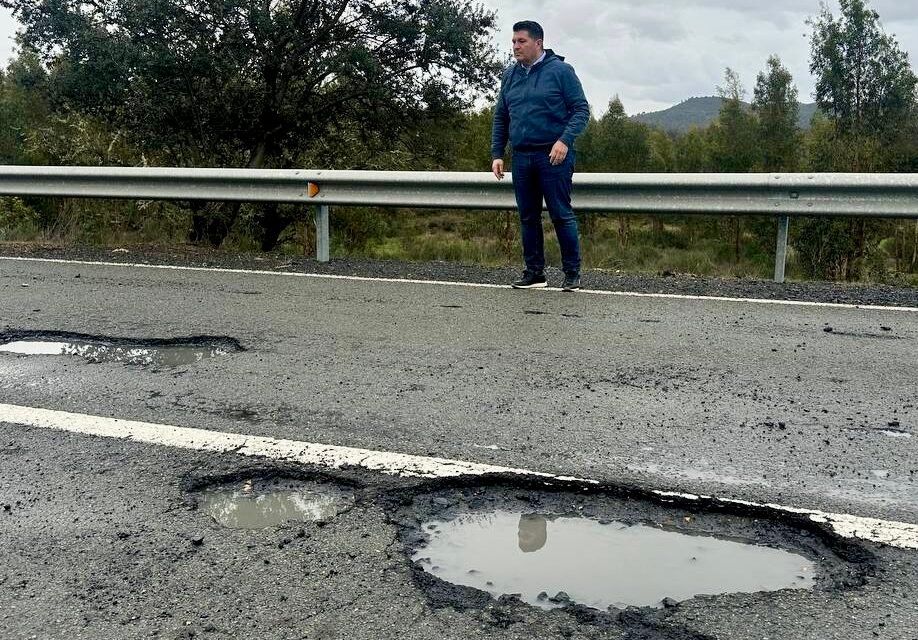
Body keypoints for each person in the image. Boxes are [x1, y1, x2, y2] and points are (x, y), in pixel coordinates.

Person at [491, 20, 590, 291]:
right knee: (527, 217)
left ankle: (572, 274)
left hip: (553, 155)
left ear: (538, 42)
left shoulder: (561, 71)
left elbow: (581, 110)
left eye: (521, 41)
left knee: (560, 214)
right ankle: (535, 274)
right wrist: (498, 153)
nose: (515, 46)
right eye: (513, 42)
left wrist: (564, 140)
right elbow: (501, 116)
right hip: (522, 157)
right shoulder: (510, 75)